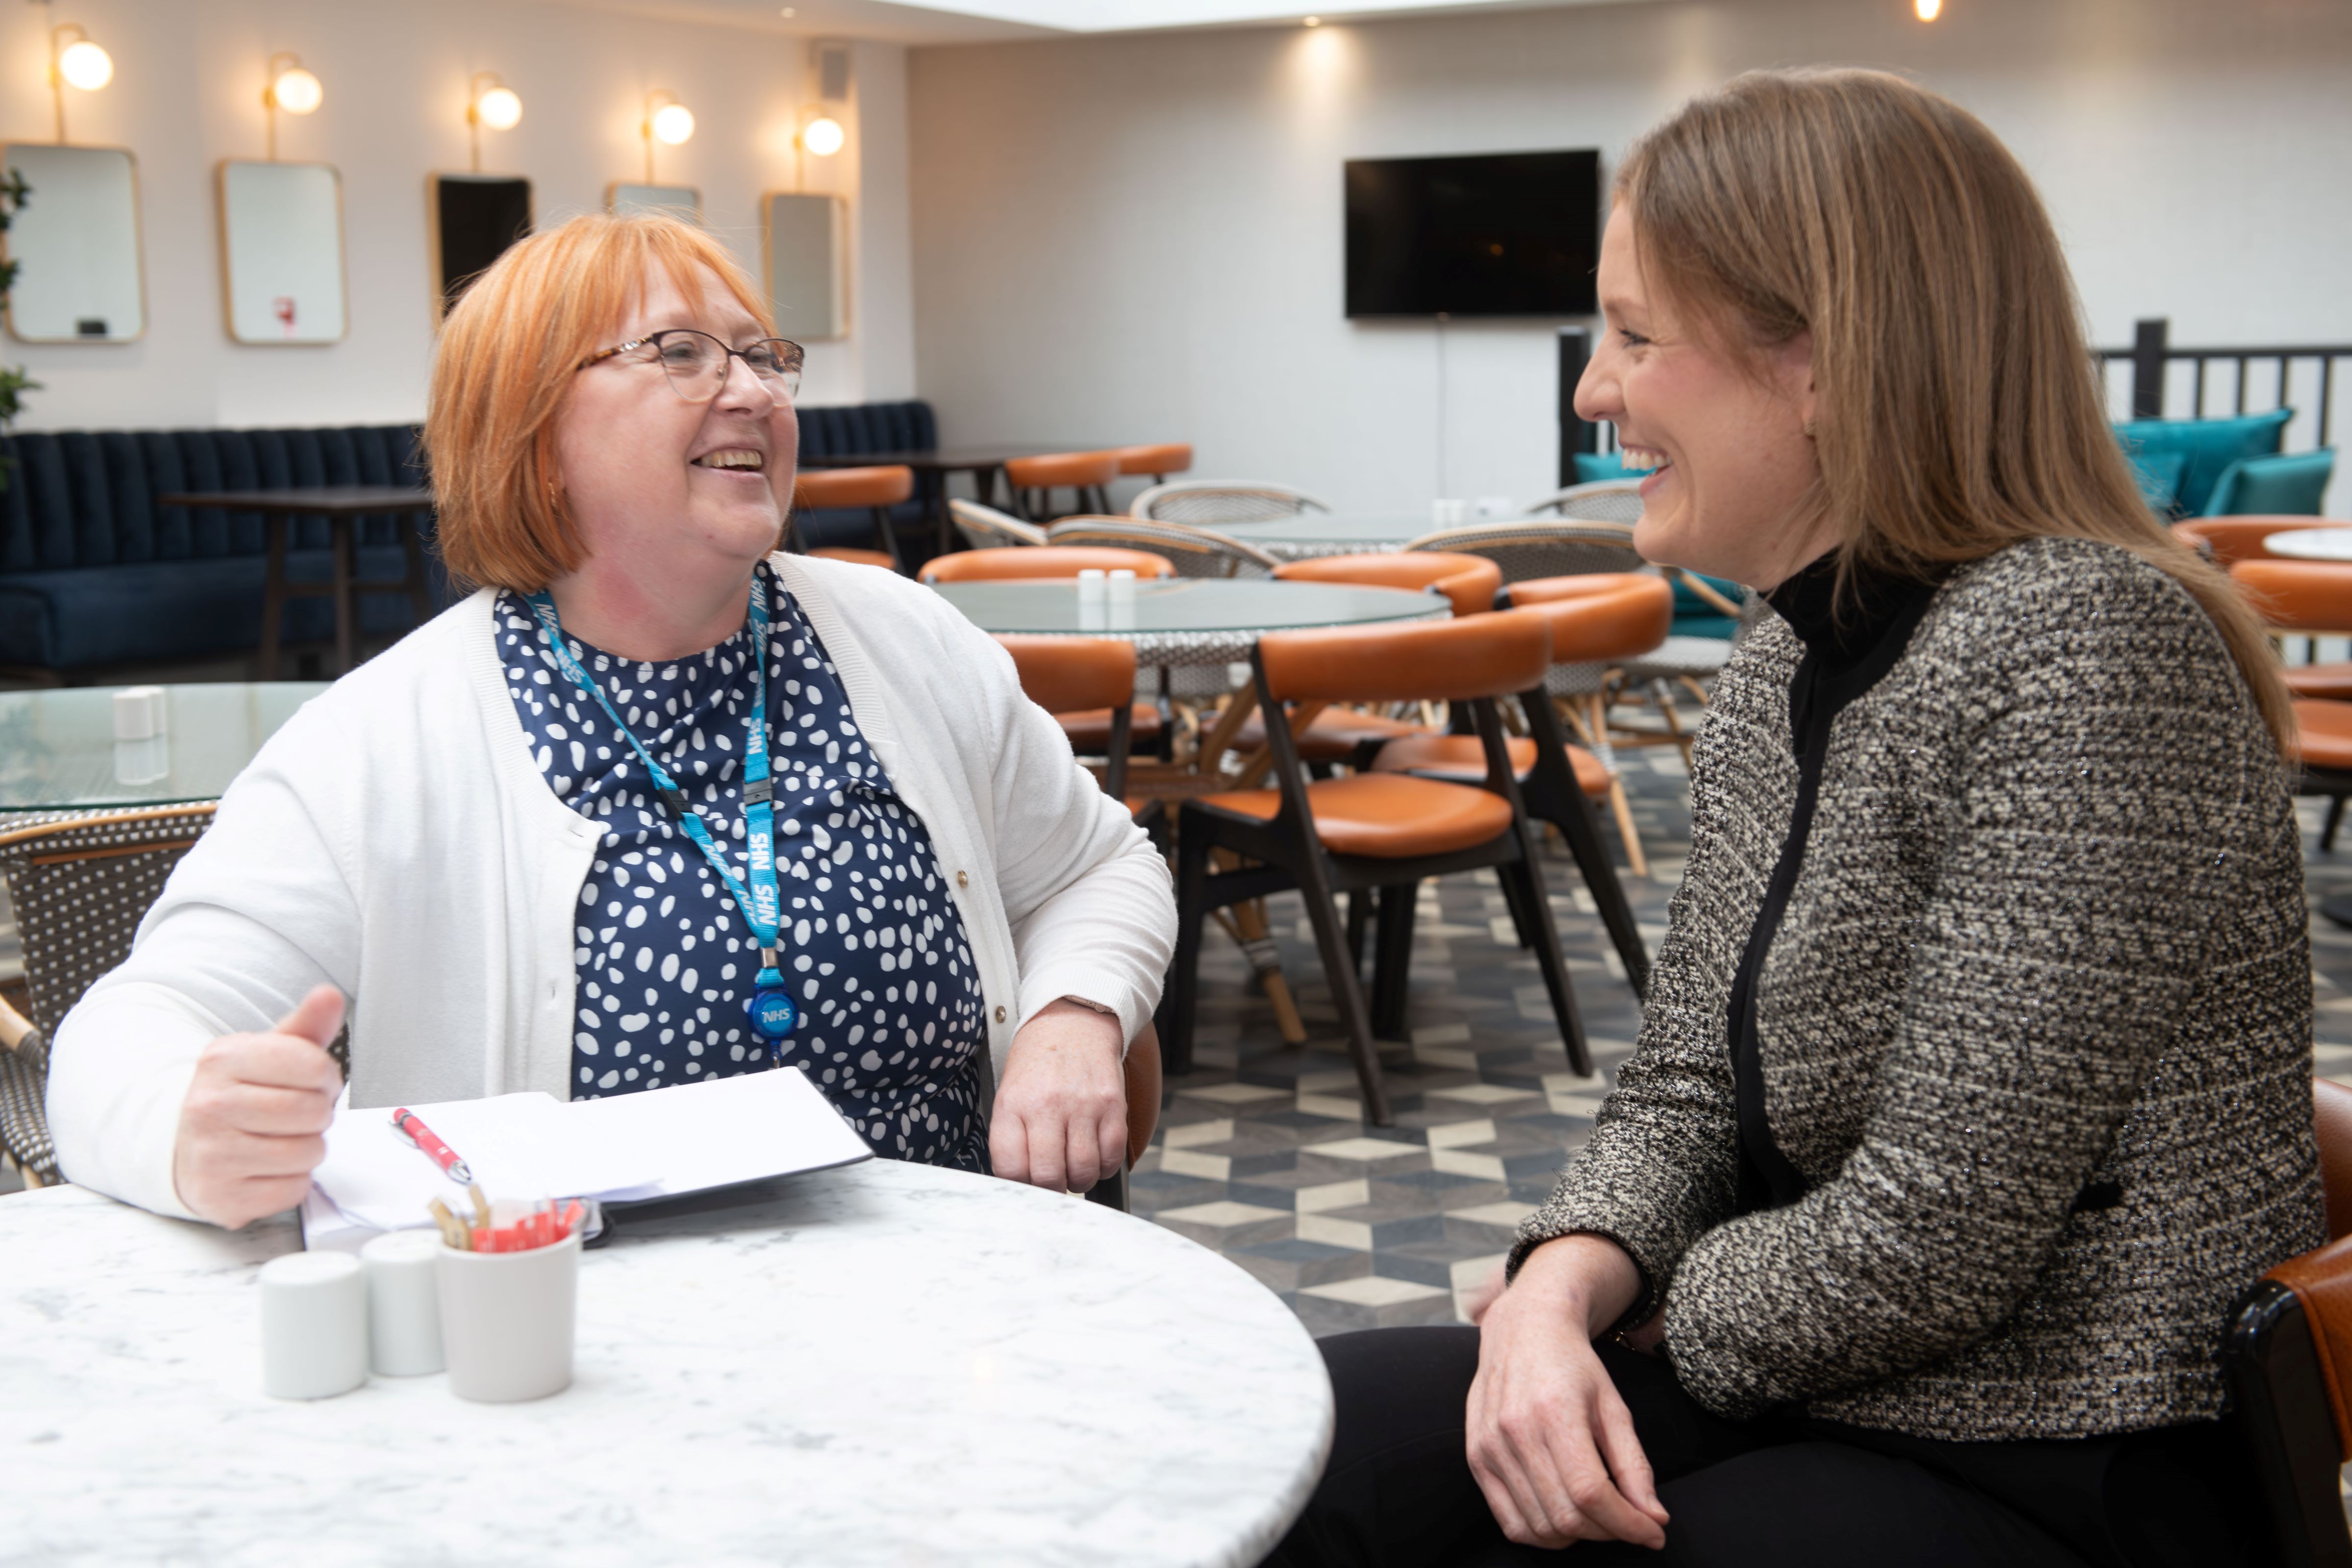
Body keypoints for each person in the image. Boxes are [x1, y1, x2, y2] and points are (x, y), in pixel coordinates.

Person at [1273, 69, 2319, 1568]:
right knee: (1297, 1444)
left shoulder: (2091, 646)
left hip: (2061, 1448)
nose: (1592, 389)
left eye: (1636, 336)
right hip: (1800, 1367)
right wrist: (1562, 1288)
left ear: (1824, 359)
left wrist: (1625, 1315)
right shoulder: (1781, 656)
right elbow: (1692, 1074)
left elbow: (1932, 1241)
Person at [46, 213, 1176, 1228]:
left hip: (970, 1319)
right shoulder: (383, 743)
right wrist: (189, 1126)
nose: (753, 389)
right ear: (533, 434)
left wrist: (1074, 1013)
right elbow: (127, 1036)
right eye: (682, 353)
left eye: (761, 354)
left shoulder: (903, 640)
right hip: (600, 1378)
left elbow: (1097, 865)